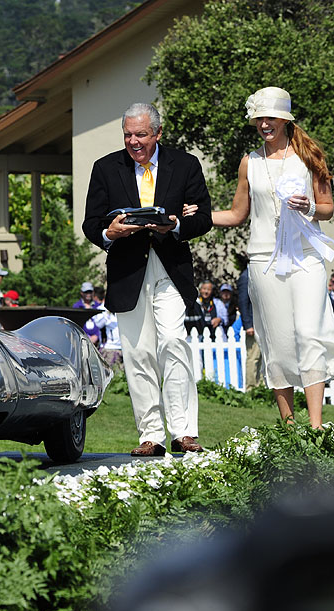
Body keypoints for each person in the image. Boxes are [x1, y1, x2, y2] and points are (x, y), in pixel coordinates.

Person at [82, 102, 212, 456]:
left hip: (171, 268)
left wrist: (177, 225)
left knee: (172, 343)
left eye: (141, 134)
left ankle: (184, 432)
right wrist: (109, 232)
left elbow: (204, 217)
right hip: (128, 271)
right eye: (128, 135)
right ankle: (151, 436)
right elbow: (91, 224)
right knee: (138, 354)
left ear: (157, 133)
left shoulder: (185, 165)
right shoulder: (105, 168)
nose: (134, 142)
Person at [211, 87, 334, 430]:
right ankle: (289, 426)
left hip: (307, 256)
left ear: (285, 120)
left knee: (308, 332)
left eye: (270, 117)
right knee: (277, 340)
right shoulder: (249, 162)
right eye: (259, 118)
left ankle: (315, 427)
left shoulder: (310, 156)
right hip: (264, 259)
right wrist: (195, 217)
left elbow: (327, 208)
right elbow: (238, 214)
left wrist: (309, 207)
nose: (264, 124)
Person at [238, 265, 264, 390]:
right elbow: (243, 302)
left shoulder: (260, 273)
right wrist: (248, 324)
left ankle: (263, 387)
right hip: (253, 325)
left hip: (264, 324)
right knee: (253, 357)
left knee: (264, 358)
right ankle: (251, 388)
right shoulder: (245, 276)